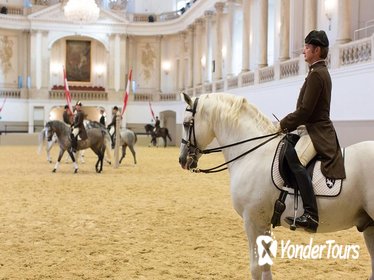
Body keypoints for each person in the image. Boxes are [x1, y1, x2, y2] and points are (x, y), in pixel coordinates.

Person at [277, 30, 346, 233]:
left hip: (317, 131)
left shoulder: (317, 75)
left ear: (316, 50)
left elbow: (305, 111)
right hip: (311, 127)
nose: (303, 51)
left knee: (295, 160)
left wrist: (283, 124)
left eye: (307, 47)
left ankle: (311, 214)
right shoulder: (317, 71)